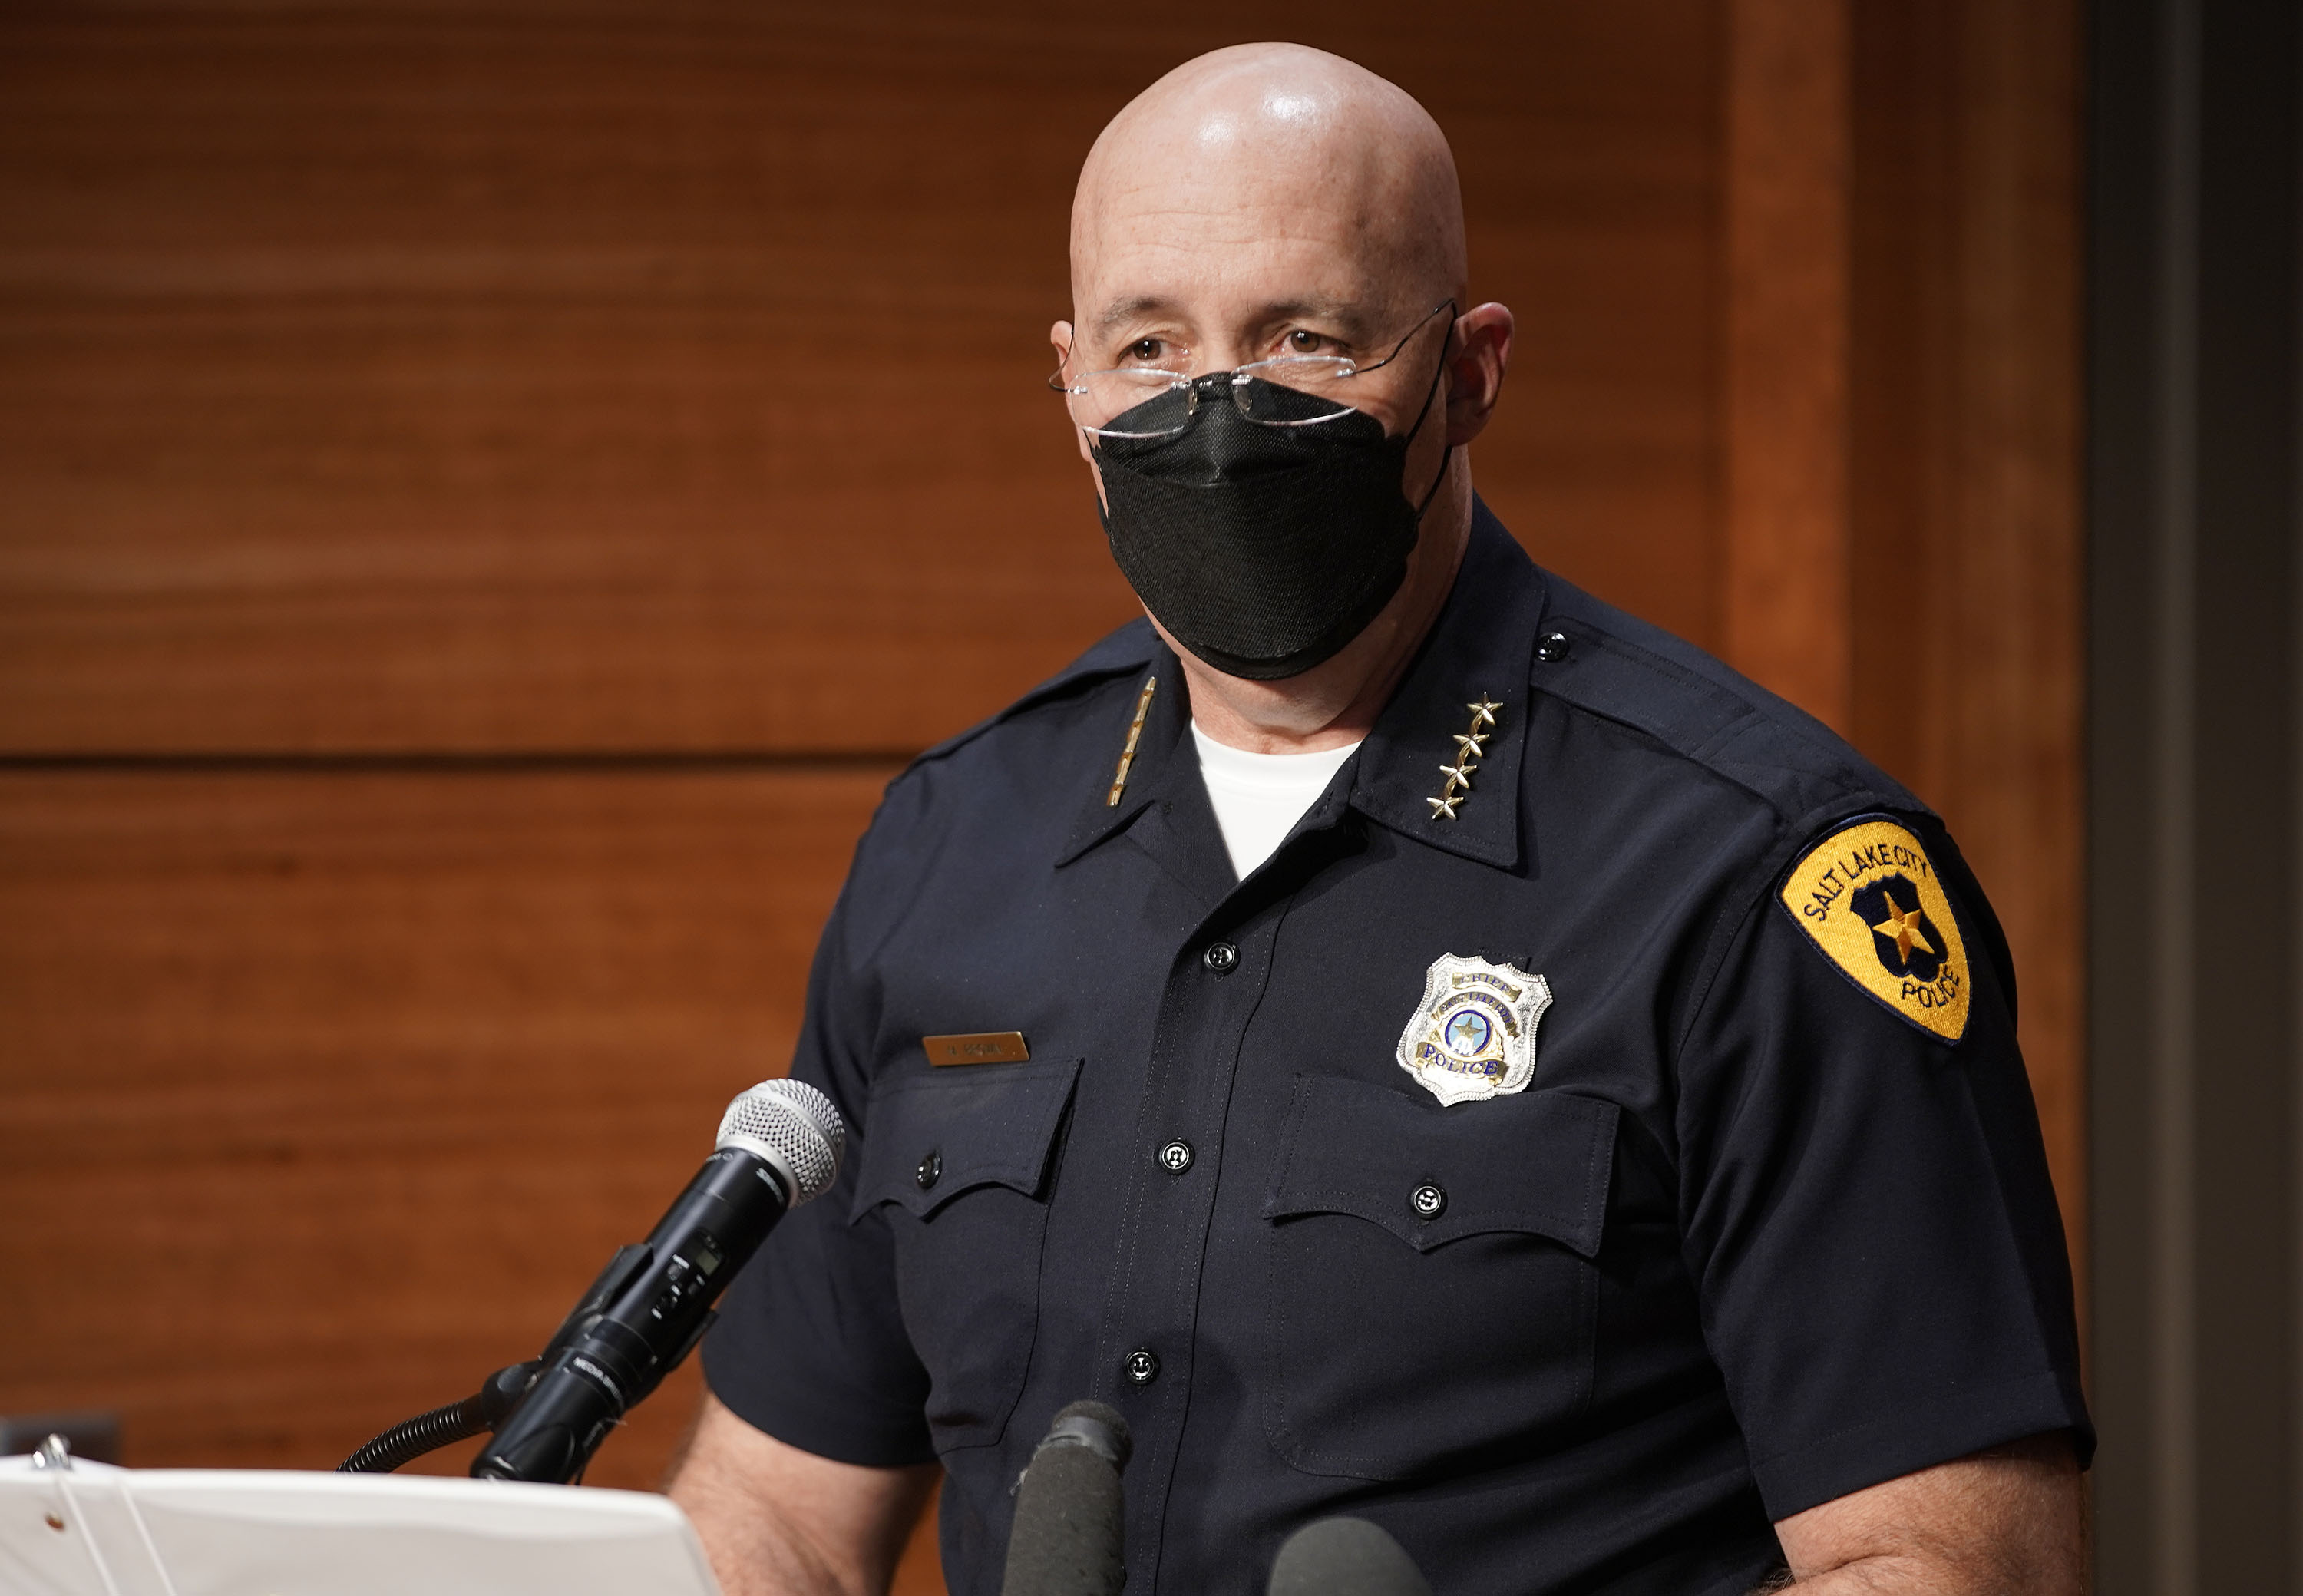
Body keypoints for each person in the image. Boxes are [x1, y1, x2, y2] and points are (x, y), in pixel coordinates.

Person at [668, 42, 2091, 1596]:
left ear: (1468, 370)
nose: (1216, 415)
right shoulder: (956, 843)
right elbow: (782, 1519)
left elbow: (1956, 1567)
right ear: (1070, 383)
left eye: (1305, 339)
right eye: (1152, 346)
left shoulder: (1758, 876)